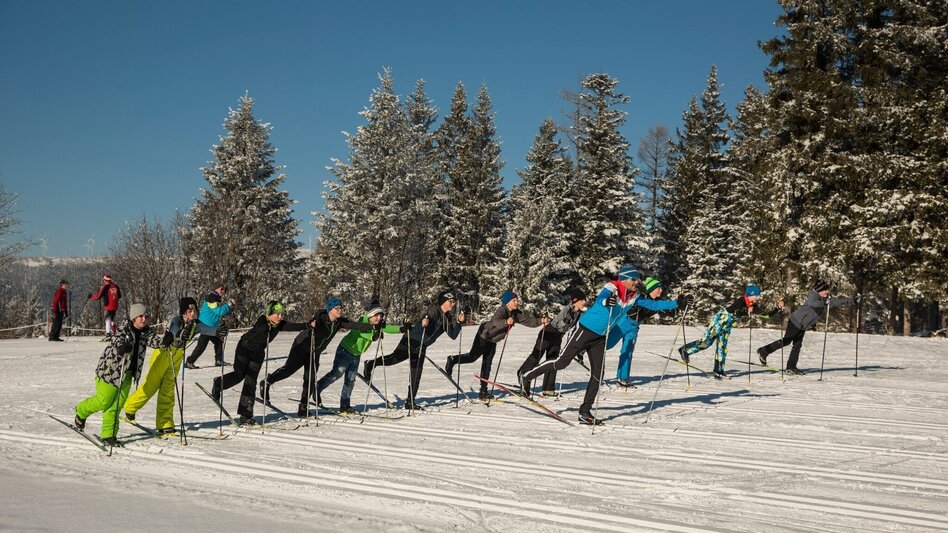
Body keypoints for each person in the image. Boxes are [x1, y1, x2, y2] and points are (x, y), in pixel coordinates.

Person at [519, 265, 643, 425]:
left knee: (597, 373)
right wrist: (606, 302)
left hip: (592, 337)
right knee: (559, 362)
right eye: (634, 278)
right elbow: (599, 300)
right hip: (556, 332)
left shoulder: (632, 297)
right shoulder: (608, 289)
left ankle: (585, 412)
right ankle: (526, 376)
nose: (637, 281)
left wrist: (673, 305)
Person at [259, 296, 372, 416]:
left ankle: (303, 407)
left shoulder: (339, 322)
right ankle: (267, 381)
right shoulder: (321, 319)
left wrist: (373, 327)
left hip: (315, 352)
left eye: (340, 308)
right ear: (330, 309)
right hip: (301, 347)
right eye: (337, 308)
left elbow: (356, 325)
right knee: (288, 370)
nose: (340, 310)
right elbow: (316, 317)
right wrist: (313, 323)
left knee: (310, 379)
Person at [210, 301, 312, 425]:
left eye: (281, 314)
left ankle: (245, 415)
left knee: (251, 381)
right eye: (277, 314)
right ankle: (218, 383)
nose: (280, 317)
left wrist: (308, 325)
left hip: (258, 354)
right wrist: (266, 328)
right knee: (238, 375)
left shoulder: (278, 324)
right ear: (269, 313)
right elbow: (259, 328)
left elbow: (293, 326)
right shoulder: (262, 320)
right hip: (244, 348)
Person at [74, 303, 162, 445]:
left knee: (117, 405)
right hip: (110, 372)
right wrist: (121, 347)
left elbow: (158, 342)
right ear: (134, 317)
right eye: (141, 316)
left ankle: (109, 435)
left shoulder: (146, 333)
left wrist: (170, 340)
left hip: (127, 373)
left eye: (146, 316)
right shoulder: (124, 330)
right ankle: (81, 411)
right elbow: (116, 340)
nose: (144, 319)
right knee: (105, 400)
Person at [362, 290, 464, 410]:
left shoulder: (447, 318)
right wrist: (424, 321)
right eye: (451, 301)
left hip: (421, 347)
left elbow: (453, 335)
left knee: (416, 374)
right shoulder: (434, 310)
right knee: (393, 359)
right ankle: (371, 363)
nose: (453, 304)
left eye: (454, 302)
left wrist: (458, 322)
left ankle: (410, 402)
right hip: (411, 340)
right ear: (443, 302)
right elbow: (426, 316)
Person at [445, 290, 548, 401]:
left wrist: (541, 320)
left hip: (493, 340)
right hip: (484, 335)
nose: (517, 302)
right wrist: (506, 322)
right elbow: (495, 322)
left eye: (516, 300)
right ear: (508, 302)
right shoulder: (502, 310)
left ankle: (483, 392)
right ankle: (453, 359)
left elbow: (528, 321)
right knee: (472, 357)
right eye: (514, 300)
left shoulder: (515, 313)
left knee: (487, 364)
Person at [315, 299, 407, 414]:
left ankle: (345, 405)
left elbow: (388, 328)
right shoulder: (362, 321)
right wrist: (373, 336)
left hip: (356, 355)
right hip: (345, 350)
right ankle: (317, 387)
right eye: (376, 316)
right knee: (336, 374)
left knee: (350, 380)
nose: (378, 319)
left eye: (380, 316)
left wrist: (401, 329)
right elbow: (360, 332)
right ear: (370, 315)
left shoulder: (377, 324)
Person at [123, 298, 198, 434]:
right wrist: (180, 334)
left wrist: (218, 331)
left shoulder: (194, 325)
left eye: (194, 310)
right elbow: (174, 329)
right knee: (150, 386)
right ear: (183, 312)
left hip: (177, 358)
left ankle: (165, 423)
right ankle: (130, 407)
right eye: (189, 310)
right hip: (163, 354)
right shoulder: (177, 320)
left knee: (168, 390)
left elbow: (209, 328)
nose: (192, 313)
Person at [679, 284, 784, 379]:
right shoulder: (741, 301)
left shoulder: (753, 306)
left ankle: (718, 371)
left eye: (758, 296)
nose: (757, 298)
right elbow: (735, 310)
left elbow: (766, 315)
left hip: (727, 326)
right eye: (756, 296)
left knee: (722, 347)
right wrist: (746, 310)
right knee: (706, 342)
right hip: (719, 321)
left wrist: (777, 308)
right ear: (749, 295)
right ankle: (685, 350)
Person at [757, 281, 857, 375]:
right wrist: (825, 303)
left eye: (827, 290)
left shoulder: (823, 298)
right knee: (786, 341)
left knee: (797, 345)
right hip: (796, 321)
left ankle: (791, 367)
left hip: (802, 325)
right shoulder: (813, 296)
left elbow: (835, 302)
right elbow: (813, 303)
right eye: (825, 290)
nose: (827, 292)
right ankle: (764, 351)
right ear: (819, 290)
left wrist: (853, 301)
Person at [515, 289, 587, 397]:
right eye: (582, 300)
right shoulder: (567, 309)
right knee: (537, 356)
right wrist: (566, 321)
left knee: (553, 360)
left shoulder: (578, 314)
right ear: (576, 300)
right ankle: (523, 373)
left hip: (558, 337)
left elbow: (571, 328)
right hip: (548, 332)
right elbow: (557, 323)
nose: (584, 302)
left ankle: (548, 388)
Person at [615, 277, 683, 387]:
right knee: (605, 342)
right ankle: (582, 349)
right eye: (658, 288)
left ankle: (622, 378)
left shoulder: (656, 301)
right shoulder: (641, 297)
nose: (661, 290)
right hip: (623, 322)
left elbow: (671, 312)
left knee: (627, 351)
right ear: (651, 289)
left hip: (634, 327)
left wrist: (680, 303)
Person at [185, 287, 232, 369]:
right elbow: (219, 311)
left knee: (219, 342)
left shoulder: (215, 298)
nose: (223, 292)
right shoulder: (211, 298)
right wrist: (228, 306)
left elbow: (220, 312)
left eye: (224, 290)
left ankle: (219, 360)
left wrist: (229, 308)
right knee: (201, 346)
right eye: (222, 290)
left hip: (212, 327)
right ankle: (189, 361)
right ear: (218, 289)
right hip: (206, 327)